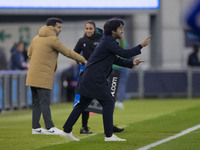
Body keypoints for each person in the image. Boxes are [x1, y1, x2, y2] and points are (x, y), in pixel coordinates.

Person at [60, 18, 151, 141]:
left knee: (82, 104)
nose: (122, 31)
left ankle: (66, 130)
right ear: (113, 31)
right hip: (94, 78)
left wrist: (131, 63)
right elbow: (124, 53)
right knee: (108, 102)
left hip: (90, 77)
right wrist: (141, 45)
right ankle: (109, 135)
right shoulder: (108, 41)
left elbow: (115, 59)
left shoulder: (107, 41)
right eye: (120, 29)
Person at [26, 17, 87, 135]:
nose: (60, 30)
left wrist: (38, 63)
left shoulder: (36, 38)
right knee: (45, 101)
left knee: (36, 102)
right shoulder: (53, 39)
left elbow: (29, 54)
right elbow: (68, 52)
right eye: (59, 27)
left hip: (32, 74)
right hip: (43, 75)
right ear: (52, 27)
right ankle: (50, 127)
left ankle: (36, 127)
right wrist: (83, 59)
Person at [73, 20, 124, 134]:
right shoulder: (82, 41)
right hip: (87, 72)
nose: (88, 31)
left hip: (102, 72)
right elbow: (74, 54)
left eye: (90, 28)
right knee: (85, 100)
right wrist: (81, 61)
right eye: (86, 28)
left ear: (95, 29)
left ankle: (109, 126)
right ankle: (84, 126)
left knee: (107, 100)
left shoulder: (101, 39)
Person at [113, 38, 131, 109]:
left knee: (113, 84)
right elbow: (130, 54)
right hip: (123, 66)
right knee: (121, 84)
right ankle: (120, 102)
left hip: (113, 65)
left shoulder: (110, 42)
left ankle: (113, 102)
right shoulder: (124, 42)